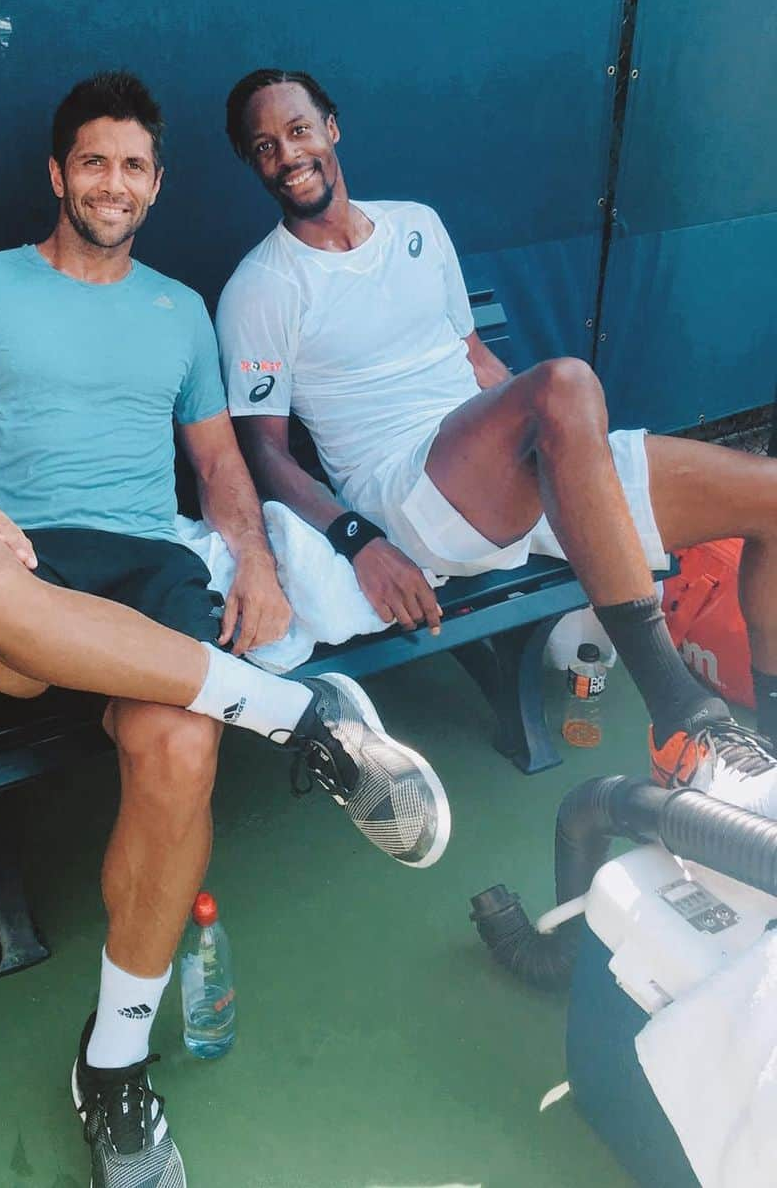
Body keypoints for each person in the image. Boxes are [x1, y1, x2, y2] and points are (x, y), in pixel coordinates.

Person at [0, 71, 450, 1188]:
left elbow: (224, 463)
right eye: (94, 161)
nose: (114, 183)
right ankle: (296, 716)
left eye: (135, 165)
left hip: (149, 565)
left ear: (159, 183)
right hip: (20, 562)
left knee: (182, 745)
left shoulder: (181, 311)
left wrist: (261, 569)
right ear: (57, 174)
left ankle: (114, 1063)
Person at [217, 66, 777, 817]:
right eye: (263, 147)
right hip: (408, 491)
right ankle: (683, 723)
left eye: (297, 130)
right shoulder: (260, 288)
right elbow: (266, 453)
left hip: (508, 467)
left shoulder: (417, 224)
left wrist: (577, 464)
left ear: (331, 128)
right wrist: (360, 540)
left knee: (769, 499)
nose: (287, 155)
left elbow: (478, 362)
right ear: (251, 165)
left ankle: (765, 741)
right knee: (566, 383)